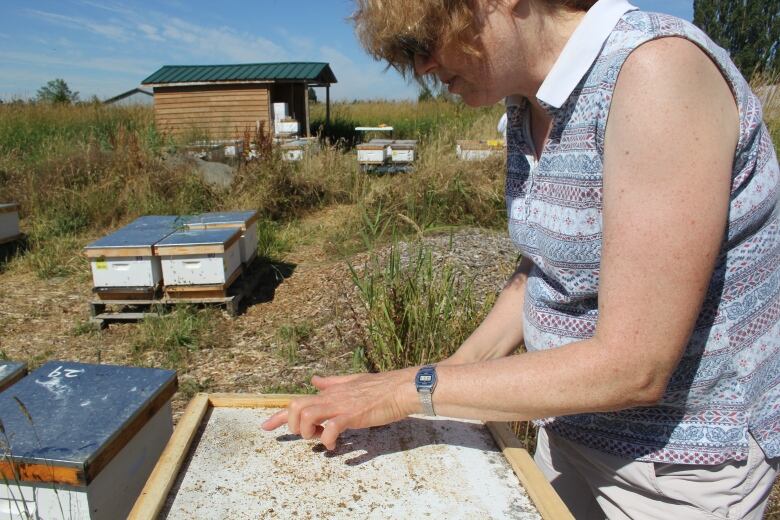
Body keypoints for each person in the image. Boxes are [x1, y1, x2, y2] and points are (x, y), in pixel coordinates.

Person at [263, 0, 780, 517]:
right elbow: (545, 266)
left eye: (426, 41)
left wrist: (410, 389)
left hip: (675, 466)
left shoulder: (656, 72)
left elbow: (634, 365)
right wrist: (447, 375)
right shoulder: (526, 103)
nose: (422, 68)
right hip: (565, 422)